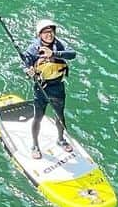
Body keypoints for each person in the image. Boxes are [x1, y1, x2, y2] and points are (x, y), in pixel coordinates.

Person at [21, 18, 77, 160]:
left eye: (51, 32)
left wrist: (54, 54)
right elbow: (25, 65)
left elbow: (72, 54)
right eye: (45, 33)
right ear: (39, 35)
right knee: (38, 117)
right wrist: (28, 72)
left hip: (57, 87)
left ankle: (61, 139)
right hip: (41, 88)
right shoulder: (33, 49)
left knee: (60, 116)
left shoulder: (59, 45)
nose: (49, 35)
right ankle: (35, 145)